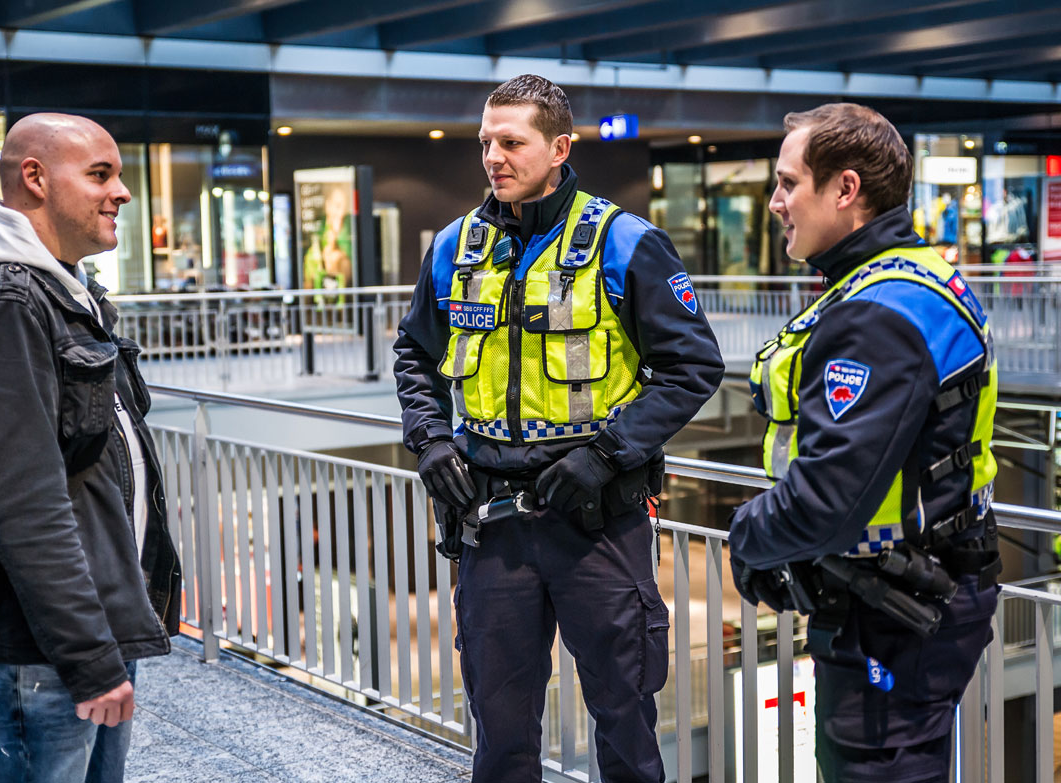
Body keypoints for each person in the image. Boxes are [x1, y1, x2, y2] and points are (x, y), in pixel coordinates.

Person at [393, 74, 723, 783]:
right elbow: (414, 354)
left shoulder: (625, 243)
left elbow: (693, 366)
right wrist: (431, 438)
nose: (493, 157)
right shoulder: (456, 246)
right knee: (500, 726)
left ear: (560, 147)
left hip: (598, 521)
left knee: (624, 718)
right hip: (493, 525)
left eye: (511, 142)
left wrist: (607, 455)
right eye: (486, 141)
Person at [728, 103, 1000, 782]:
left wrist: (749, 535)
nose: (775, 203)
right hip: (895, 595)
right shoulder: (900, 278)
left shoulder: (877, 313)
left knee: (875, 766)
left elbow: (829, 496)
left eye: (789, 183)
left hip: (895, 613)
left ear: (845, 190)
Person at [0, 113, 181, 783]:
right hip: (45, 654)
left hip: (84, 635)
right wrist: (89, 658)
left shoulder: (63, 290)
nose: (122, 192)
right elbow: (26, 506)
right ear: (35, 179)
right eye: (100, 174)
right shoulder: (7, 302)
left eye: (119, 175)